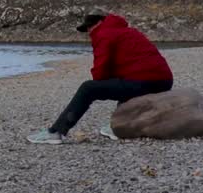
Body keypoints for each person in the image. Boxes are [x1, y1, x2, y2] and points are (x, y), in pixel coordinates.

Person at [27, 12, 173, 144]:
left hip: (143, 81)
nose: (89, 32)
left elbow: (100, 72)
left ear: (98, 23)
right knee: (123, 85)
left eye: (89, 28)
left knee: (88, 88)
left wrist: (103, 82)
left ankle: (56, 132)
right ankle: (117, 127)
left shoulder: (103, 34)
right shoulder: (128, 31)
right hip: (164, 81)